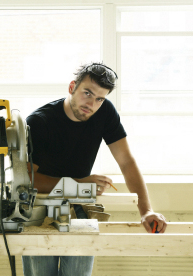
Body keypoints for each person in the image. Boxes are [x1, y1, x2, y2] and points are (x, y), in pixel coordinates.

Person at [22, 62, 167, 276]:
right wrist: (79, 183)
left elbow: (126, 161)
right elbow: (27, 179)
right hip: (37, 209)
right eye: (87, 93)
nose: (91, 104)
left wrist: (146, 211)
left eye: (100, 98)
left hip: (80, 207)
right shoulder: (39, 121)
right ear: (72, 87)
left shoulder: (104, 112)